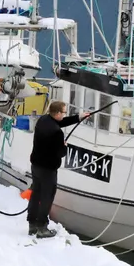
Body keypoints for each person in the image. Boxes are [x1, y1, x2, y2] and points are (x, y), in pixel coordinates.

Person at [27, 100, 90, 238]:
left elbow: (59, 123)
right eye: (64, 112)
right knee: (47, 197)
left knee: (36, 193)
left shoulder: (43, 120)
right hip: (48, 170)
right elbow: (60, 153)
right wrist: (65, 145)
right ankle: (42, 227)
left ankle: (32, 224)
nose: (64, 114)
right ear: (57, 113)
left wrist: (78, 117)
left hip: (36, 166)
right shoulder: (57, 133)